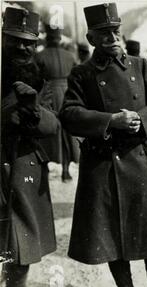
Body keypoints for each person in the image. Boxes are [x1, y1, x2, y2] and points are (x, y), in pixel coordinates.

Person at [59, 3, 147, 287]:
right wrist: (110, 120)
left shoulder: (140, 65)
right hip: (104, 163)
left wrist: (142, 120)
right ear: (91, 39)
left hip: (141, 157)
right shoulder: (82, 74)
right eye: (104, 34)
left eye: (115, 31)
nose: (112, 37)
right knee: (114, 234)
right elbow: (69, 114)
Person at [0, 7, 59, 287]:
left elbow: (52, 124)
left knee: (20, 246)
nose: (21, 47)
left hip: (24, 166)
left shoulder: (39, 75)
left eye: (28, 42)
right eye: (14, 39)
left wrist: (32, 108)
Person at [35, 24, 79, 181]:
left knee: (47, 131)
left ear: (47, 38)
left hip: (47, 95)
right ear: (59, 39)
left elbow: (35, 78)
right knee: (67, 133)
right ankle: (66, 171)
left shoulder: (40, 56)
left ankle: (45, 168)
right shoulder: (70, 56)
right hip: (67, 93)